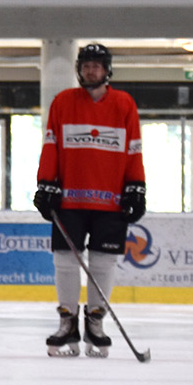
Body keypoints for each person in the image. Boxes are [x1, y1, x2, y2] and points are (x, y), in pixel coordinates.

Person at [32, 43, 145, 357]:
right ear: (78, 69)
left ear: (107, 70)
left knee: (103, 264)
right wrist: (46, 184)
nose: (90, 70)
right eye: (86, 65)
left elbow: (134, 149)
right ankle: (67, 323)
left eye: (96, 65)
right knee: (65, 262)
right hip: (69, 200)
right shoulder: (63, 102)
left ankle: (95, 322)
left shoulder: (124, 104)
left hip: (111, 201)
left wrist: (136, 187)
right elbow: (51, 145)